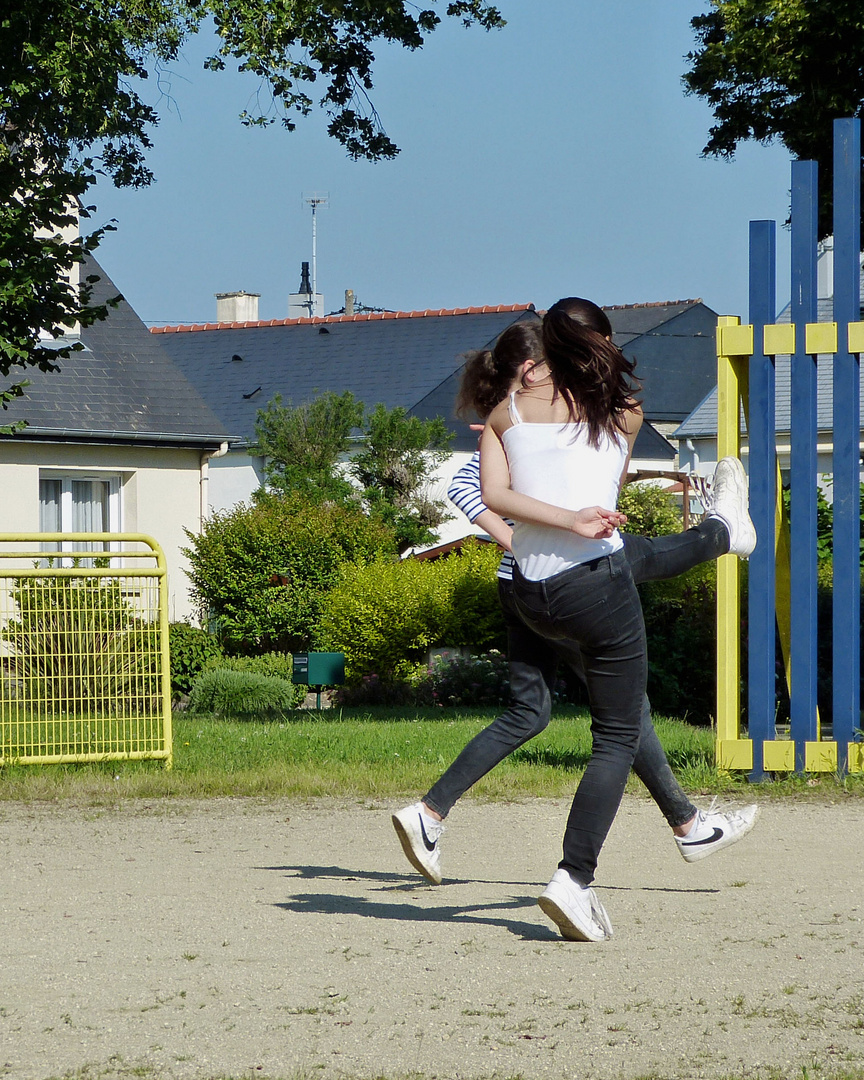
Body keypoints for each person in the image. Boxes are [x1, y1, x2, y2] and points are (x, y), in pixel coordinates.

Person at [392, 305, 755, 941]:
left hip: (533, 590)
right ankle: (573, 879)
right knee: (616, 735)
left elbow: (495, 497)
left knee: (630, 555)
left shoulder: (503, 414)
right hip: (595, 588)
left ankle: (724, 532)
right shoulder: (622, 412)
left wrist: (564, 520)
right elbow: (605, 500)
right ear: (597, 346)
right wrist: (581, 518)